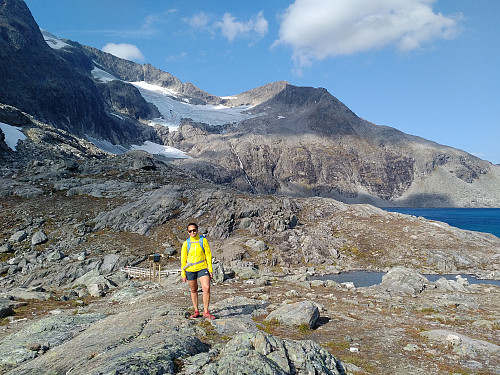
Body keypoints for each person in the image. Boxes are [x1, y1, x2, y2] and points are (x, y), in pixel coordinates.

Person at [181, 222, 215, 320]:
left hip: (202, 267)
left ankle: (206, 311)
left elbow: (208, 255)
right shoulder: (186, 244)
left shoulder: (203, 240)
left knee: (206, 287)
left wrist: (210, 269)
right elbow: (183, 260)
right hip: (190, 269)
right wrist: (183, 273)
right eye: (190, 231)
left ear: (197, 230)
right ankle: (196, 311)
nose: (192, 232)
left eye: (194, 230)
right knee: (193, 289)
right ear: (188, 232)